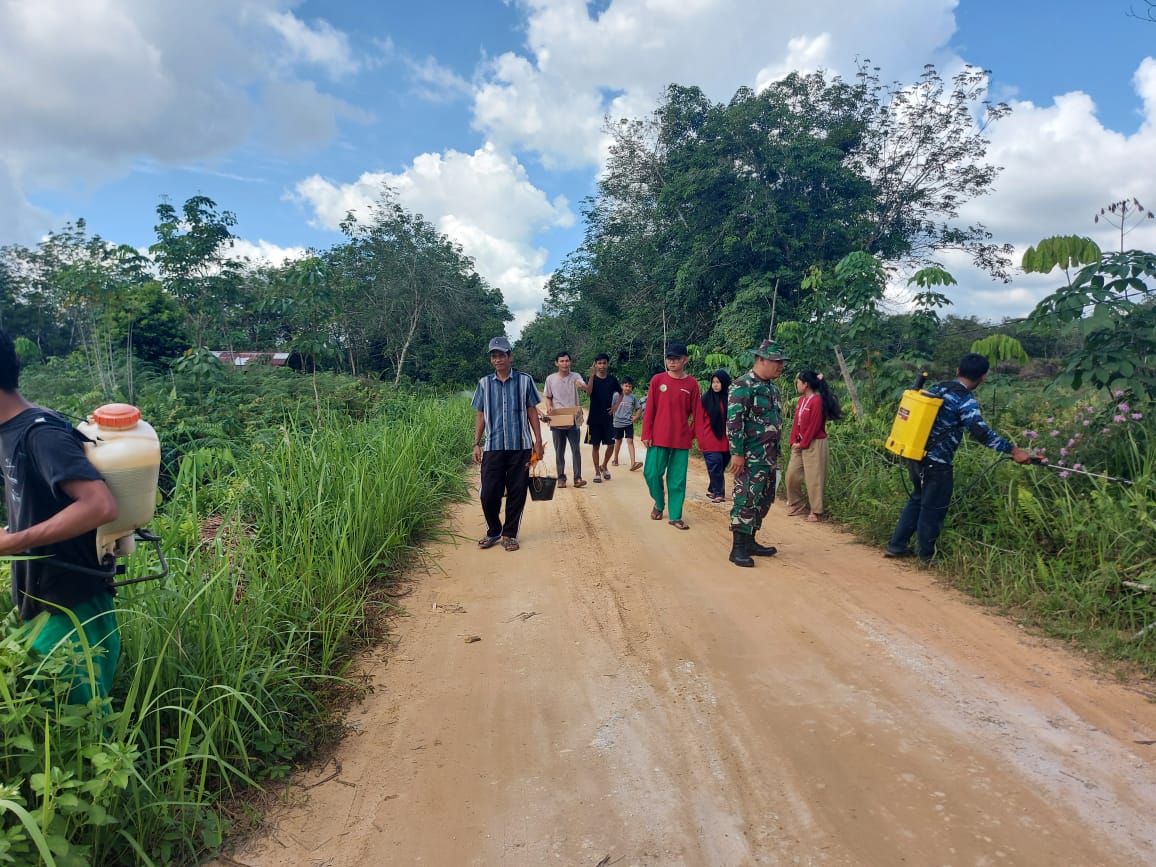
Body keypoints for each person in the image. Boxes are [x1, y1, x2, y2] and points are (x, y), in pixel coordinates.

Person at [0, 330, 121, 704]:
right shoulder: (9, 431)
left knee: (78, 732)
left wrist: (12, 541)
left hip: (73, 602)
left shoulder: (40, 434)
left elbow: (99, 505)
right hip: (41, 598)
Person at [886, 352, 1031, 562]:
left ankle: (897, 545)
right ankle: (926, 556)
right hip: (937, 462)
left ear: (957, 371)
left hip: (915, 454)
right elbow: (981, 433)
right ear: (983, 377)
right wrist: (1013, 450)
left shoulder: (938, 389)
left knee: (918, 499)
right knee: (933, 507)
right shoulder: (965, 401)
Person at [472, 337, 545, 552]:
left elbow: (532, 410)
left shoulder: (525, 381)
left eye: (502, 355)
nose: (498, 359)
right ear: (491, 359)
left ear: (510, 356)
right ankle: (493, 530)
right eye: (494, 356)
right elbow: (481, 414)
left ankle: (509, 534)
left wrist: (538, 442)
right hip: (493, 446)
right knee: (488, 492)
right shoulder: (484, 383)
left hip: (520, 447)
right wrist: (476, 443)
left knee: (517, 491)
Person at [726, 340, 789, 567]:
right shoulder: (743, 385)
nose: (781, 366)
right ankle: (738, 548)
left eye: (782, 362)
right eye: (777, 361)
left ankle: (751, 540)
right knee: (746, 498)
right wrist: (737, 453)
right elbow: (734, 422)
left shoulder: (772, 388)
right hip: (750, 456)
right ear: (761, 360)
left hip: (769, 456)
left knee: (764, 498)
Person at [641, 343, 701, 530]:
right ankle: (659, 503)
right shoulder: (658, 380)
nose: (671, 362)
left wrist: (691, 434)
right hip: (658, 438)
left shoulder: (692, 384)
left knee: (677, 479)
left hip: (681, 441)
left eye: (676, 359)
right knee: (651, 473)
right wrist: (646, 433)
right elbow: (650, 409)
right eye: (669, 359)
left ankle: (675, 516)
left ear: (685, 360)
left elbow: (697, 413)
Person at [785, 370, 843, 522]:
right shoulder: (800, 401)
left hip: (815, 443)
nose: (797, 384)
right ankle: (797, 503)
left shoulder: (817, 401)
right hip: (800, 443)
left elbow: (815, 425)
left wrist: (803, 443)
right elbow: (795, 423)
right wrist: (793, 441)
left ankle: (816, 510)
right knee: (792, 474)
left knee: (814, 477)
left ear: (806, 384)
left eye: (799, 381)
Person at [543, 350, 587, 488]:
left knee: (576, 450)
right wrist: (549, 407)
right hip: (558, 418)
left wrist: (582, 386)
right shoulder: (550, 379)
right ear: (557, 363)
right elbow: (548, 397)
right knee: (559, 450)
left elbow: (583, 385)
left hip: (574, 418)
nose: (564, 363)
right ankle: (561, 478)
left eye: (567, 360)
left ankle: (577, 478)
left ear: (570, 362)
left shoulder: (576, 376)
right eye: (561, 361)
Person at [582, 353, 621, 483]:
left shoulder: (612, 379)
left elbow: (621, 393)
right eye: (599, 363)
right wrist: (592, 376)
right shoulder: (592, 378)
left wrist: (616, 406)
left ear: (607, 364)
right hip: (594, 418)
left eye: (604, 363)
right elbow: (588, 392)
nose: (602, 366)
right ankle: (597, 472)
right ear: (595, 364)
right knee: (595, 446)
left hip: (608, 418)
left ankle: (604, 465)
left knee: (611, 445)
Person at [695, 370, 732, 503]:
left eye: (718, 382)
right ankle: (718, 493)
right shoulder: (705, 399)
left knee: (721, 465)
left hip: (726, 440)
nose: (715, 385)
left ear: (725, 383)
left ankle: (712, 488)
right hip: (709, 439)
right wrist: (698, 438)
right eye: (713, 382)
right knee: (716, 464)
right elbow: (698, 420)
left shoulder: (731, 398)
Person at [609, 376, 643, 471]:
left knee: (630, 441)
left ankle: (633, 463)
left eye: (630, 386)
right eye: (626, 386)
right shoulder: (616, 395)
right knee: (618, 442)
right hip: (617, 423)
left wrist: (636, 417)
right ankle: (615, 459)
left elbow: (639, 408)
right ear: (622, 386)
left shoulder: (633, 397)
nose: (628, 388)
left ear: (632, 387)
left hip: (628, 423)